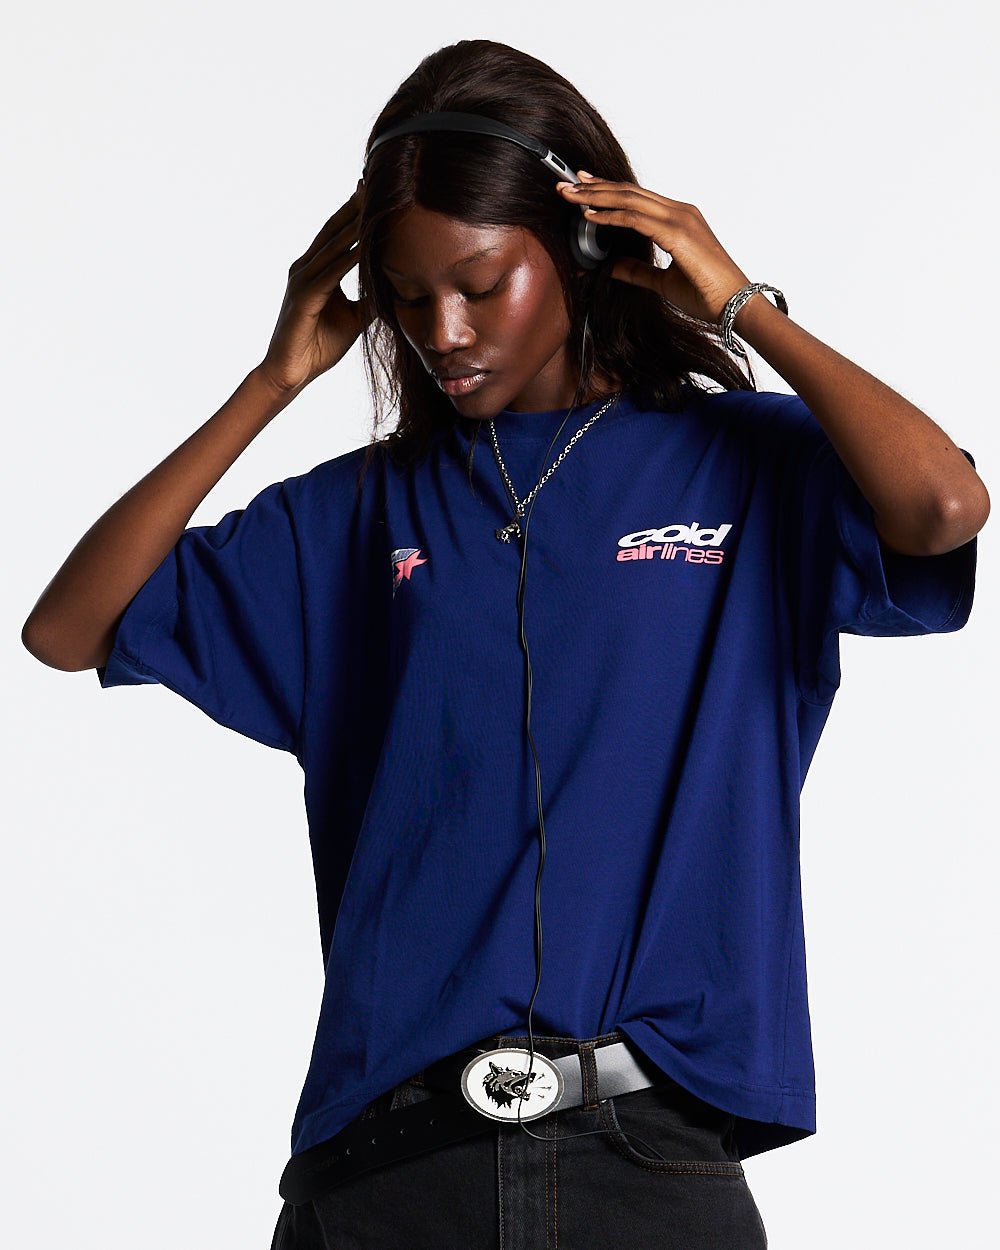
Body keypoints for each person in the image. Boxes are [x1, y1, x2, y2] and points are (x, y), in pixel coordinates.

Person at [21, 37, 989, 1250]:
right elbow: (68, 627)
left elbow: (941, 506)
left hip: (637, 1157)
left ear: (583, 252)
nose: (442, 329)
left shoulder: (750, 465)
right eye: (409, 295)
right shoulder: (355, 514)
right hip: (373, 1173)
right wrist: (272, 382)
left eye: (480, 285)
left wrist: (740, 305)